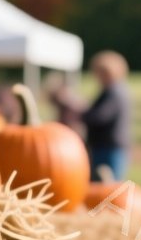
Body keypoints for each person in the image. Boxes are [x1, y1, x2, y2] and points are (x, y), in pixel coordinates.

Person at [56, 51, 134, 180]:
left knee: (107, 187)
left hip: (109, 148)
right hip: (104, 146)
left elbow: (99, 116)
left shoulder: (114, 92)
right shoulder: (112, 91)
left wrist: (79, 111)